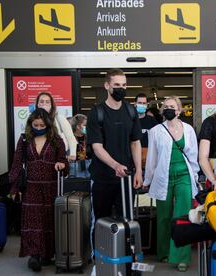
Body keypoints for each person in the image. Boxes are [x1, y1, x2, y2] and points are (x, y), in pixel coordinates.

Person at [87, 68, 143, 248]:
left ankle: (125, 263)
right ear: (107, 86)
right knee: (101, 223)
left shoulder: (131, 112)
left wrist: (139, 171)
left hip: (126, 180)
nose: (121, 88)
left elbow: (135, 143)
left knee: (126, 222)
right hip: (102, 179)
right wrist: (115, 165)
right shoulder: (97, 112)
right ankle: (100, 263)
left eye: (124, 85)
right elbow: (97, 147)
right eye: (117, 85)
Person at [143, 96, 199, 272]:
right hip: (163, 177)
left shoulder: (189, 129)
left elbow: (193, 155)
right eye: (166, 106)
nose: (168, 109)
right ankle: (164, 252)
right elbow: (151, 159)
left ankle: (182, 258)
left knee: (182, 215)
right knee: (164, 216)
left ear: (179, 110)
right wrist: (147, 180)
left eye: (172, 107)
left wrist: (195, 177)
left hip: (183, 175)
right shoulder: (155, 131)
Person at [9, 108, 69, 272]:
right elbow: (16, 164)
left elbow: (63, 160)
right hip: (31, 187)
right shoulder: (24, 140)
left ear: (48, 125)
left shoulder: (56, 140)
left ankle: (47, 254)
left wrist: (62, 164)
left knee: (49, 221)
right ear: (30, 124)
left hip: (51, 187)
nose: (39, 127)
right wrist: (14, 187)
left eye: (42, 124)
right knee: (33, 222)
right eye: (35, 124)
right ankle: (34, 255)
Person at [35, 92, 77, 161]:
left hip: (59, 158)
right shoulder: (33, 119)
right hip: (40, 159)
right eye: (41, 102)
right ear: (37, 104)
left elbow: (71, 138)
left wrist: (72, 155)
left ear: (51, 105)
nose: (44, 104)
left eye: (47, 102)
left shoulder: (59, 118)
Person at [134, 93, 158, 168]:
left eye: (144, 103)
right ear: (135, 104)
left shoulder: (152, 121)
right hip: (133, 160)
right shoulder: (130, 120)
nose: (142, 105)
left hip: (149, 160)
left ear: (147, 105)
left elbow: (157, 139)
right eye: (140, 103)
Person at [69, 113, 90, 178]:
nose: (87, 127)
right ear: (78, 126)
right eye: (85, 125)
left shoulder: (89, 138)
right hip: (74, 173)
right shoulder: (69, 138)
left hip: (88, 173)